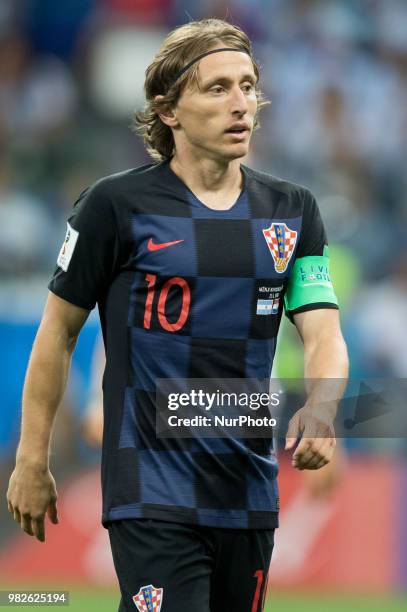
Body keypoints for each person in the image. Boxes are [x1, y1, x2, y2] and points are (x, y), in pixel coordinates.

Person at [7, 18, 349, 612]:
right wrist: (31, 461)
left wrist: (322, 409)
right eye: (218, 88)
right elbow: (57, 335)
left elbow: (323, 332)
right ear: (169, 110)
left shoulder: (293, 211)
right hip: (150, 486)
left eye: (248, 86)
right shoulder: (114, 206)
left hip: (248, 488)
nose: (242, 103)